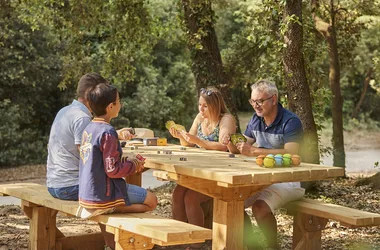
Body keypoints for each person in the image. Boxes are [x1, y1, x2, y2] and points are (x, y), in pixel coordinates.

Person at [224, 79, 305, 249]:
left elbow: (291, 152)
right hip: (262, 179)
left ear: (273, 99)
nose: (256, 105)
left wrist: (255, 151)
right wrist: (231, 143)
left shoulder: (290, 121)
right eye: (253, 101)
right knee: (233, 204)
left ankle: (273, 247)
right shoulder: (256, 119)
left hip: (288, 180)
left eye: (260, 101)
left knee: (259, 208)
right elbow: (242, 147)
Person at [78, 83, 157, 249]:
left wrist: (126, 160)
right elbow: (112, 170)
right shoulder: (108, 132)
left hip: (87, 195)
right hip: (103, 195)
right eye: (119, 101)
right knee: (152, 201)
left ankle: (112, 216)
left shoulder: (89, 128)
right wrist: (134, 165)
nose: (120, 104)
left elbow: (100, 162)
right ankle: (114, 208)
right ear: (111, 106)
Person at [46, 73, 134, 201]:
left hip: (54, 184)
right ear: (90, 94)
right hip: (72, 186)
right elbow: (90, 157)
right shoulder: (82, 118)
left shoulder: (65, 111)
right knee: (125, 192)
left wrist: (117, 134)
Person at [168, 86, 236, 249]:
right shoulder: (200, 118)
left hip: (219, 172)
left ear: (216, 105)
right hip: (199, 170)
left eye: (205, 106)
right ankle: (179, 238)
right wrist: (180, 136)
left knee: (191, 198)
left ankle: (197, 243)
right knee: (178, 194)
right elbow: (189, 142)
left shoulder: (226, 119)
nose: (201, 109)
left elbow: (223, 146)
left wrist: (198, 141)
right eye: (199, 105)